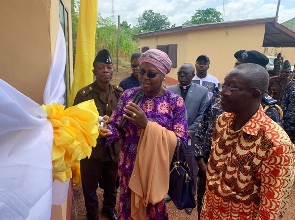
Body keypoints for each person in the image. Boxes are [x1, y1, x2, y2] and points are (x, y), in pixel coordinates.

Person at [100, 49, 188, 219]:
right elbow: (117, 126)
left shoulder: (174, 102)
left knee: (154, 211)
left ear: (163, 75)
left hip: (156, 171)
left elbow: (180, 141)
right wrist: (105, 131)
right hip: (129, 167)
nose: (144, 77)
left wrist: (147, 126)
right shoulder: (129, 96)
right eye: (141, 71)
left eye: (151, 74)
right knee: (128, 211)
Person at [195, 49, 283, 219]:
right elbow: (203, 130)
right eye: (225, 84)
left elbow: (270, 208)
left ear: (255, 92)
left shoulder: (276, 142)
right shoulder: (223, 119)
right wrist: (201, 162)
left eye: (232, 86)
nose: (223, 91)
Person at [73, 49, 122, 220]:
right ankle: (92, 215)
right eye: (101, 67)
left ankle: (109, 209)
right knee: (89, 187)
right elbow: (75, 122)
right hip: (91, 150)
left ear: (112, 70)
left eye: (109, 67)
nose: (105, 71)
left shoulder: (119, 93)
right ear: (94, 71)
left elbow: (123, 120)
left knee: (111, 184)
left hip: (112, 149)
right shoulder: (84, 95)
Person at [166, 63, 209, 215]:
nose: (182, 76)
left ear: (193, 75)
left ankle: (189, 198)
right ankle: (170, 192)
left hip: (192, 137)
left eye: (185, 74)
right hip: (172, 137)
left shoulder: (203, 91)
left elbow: (203, 114)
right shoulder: (170, 91)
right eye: (180, 74)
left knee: (191, 168)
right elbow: (166, 114)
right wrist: (175, 132)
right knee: (171, 163)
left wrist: (189, 131)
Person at [282, 70, 295, 143]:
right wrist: (282, 120)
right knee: (288, 145)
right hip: (289, 123)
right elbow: (284, 104)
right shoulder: (290, 85)